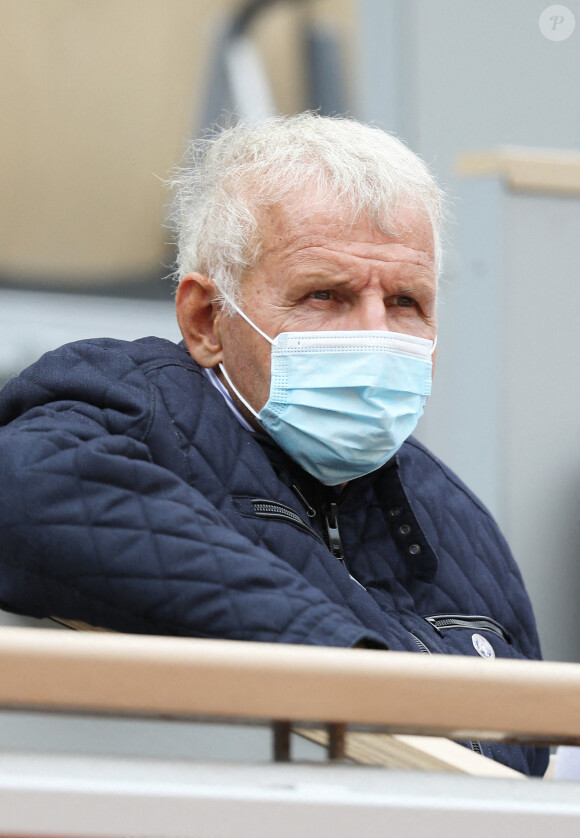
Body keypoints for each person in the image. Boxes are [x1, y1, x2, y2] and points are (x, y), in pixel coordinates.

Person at [0, 114, 547, 775]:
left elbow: (527, 747)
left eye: (405, 302)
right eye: (325, 294)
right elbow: (28, 492)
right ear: (207, 319)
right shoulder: (128, 405)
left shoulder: (455, 517)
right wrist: (356, 668)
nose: (375, 335)